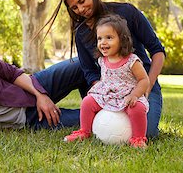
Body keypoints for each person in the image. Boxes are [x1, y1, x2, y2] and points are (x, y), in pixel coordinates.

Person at [42, 0, 165, 138]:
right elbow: (89, 71)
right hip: (109, 89)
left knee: (148, 133)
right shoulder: (81, 32)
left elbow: (158, 51)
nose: (81, 9)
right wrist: (105, 91)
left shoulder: (127, 12)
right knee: (101, 124)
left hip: (142, 84)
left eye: (82, 1)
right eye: (74, 7)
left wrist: (146, 87)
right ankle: (85, 126)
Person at [64, 14, 150, 148]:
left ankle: (138, 139)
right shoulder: (102, 60)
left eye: (109, 38)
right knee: (87, 102)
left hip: (127, 95)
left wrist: (135, 95)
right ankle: (84, 131)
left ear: (122, 40)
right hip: (108, 94)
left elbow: (144, 80)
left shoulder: (132, 60)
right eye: (99, 38)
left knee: (137, 109)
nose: (103, 42)